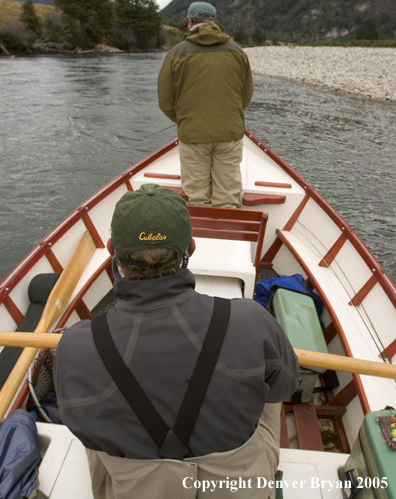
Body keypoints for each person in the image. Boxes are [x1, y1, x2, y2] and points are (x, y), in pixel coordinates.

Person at [54, 184, 299, 499]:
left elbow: (83, 428)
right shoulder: (250, 320)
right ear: (191, 248)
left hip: (139, 489)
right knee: (270, 385)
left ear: (113, 249)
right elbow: (284, 388)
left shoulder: (76, 346)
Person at [158, 2, 253, 208]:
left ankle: (200, 235)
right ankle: (227, 236)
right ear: (214, 22)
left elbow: (165, 101)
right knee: (228, 197)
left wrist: (186, 119)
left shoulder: (176, 53)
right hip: (229, 132)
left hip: (193, 134)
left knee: (197, 197)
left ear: (190, 22)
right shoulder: (238, 52)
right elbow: (245, 97)